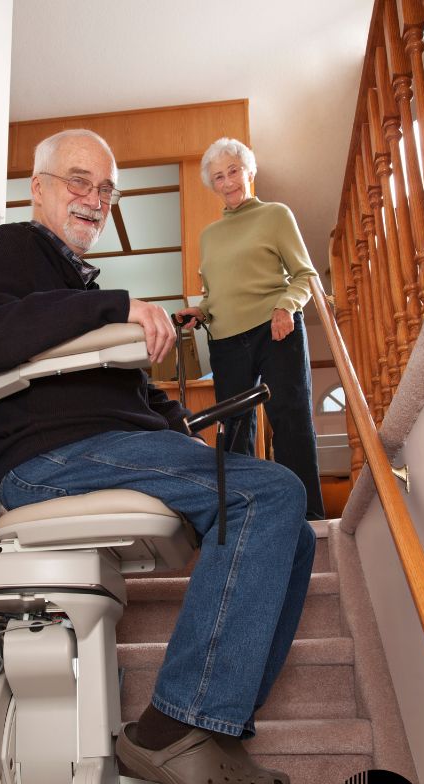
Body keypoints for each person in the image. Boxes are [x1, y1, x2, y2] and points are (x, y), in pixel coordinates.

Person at [0, 128, 316, 784]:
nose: (93, 198)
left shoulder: (81, 290)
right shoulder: (15, 249)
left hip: (103, 445)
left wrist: (170, 415)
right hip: (48, 456)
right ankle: (174, 723)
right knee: (271, 490)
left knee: (291, 528)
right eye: (79, 181)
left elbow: (130, 398)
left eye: (105, 188)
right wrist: (114, 308)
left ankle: (213, 725)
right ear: (40, 188)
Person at [176, 137, 325, 520]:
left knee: (289, 419)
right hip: (226, 340)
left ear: (249, 171)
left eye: (233, 171)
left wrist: (285, 308)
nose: (227, 182)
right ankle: (247, 513)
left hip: (275, 329)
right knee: (234, 430)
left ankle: (307, 515)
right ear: (212, 185)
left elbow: (305, 275)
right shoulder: (209, 235)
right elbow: (218, 295)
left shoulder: (276, 215)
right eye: (219, 177)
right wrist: (201, 312)